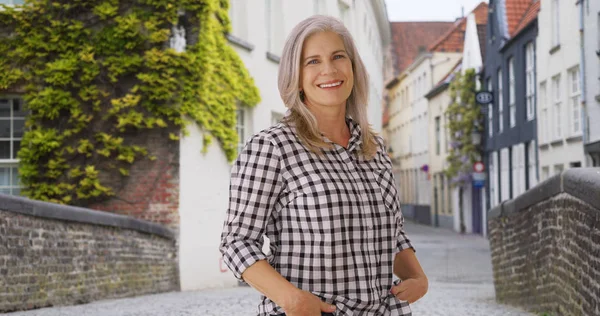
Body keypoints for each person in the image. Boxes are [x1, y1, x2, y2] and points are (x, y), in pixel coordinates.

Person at [219, 15, 428, 316]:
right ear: (296, 75)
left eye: (337, 57)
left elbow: (392, 232)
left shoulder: (374, 149)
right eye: (312, 61)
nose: (328, 70)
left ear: (353, 66)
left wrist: (417, 276)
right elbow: (236, 242)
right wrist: (292, 299)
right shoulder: (273, 148)